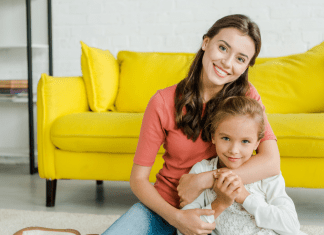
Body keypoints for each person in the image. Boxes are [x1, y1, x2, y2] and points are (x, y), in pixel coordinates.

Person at [102, 14, 280, 235]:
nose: (227, 62)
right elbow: (138, 179)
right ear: (206, 43)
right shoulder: (162, 102)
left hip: (225, 210)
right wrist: (177, 218)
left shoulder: (247, 98)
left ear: (246, 67)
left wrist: (203, 180)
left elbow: (271, 162)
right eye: (223, 48)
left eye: (240, 59)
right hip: (168, 207)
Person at [177, 96, 307, 235]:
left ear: (257, 143)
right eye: (226, 138)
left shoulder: (265, 173)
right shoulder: (202, 170)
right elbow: (184, 229)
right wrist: (220, 203)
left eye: (245, 141)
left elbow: (291, 226)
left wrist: (245, 197)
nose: (234, 150)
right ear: (213, 136)